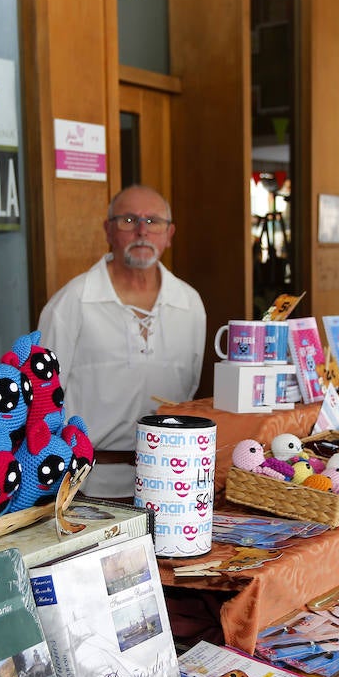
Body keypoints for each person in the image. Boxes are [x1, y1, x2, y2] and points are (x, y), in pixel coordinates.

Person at [39, 185, 206, 498]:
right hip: (86, 485)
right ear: (108, 230)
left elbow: (189, 387)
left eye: (153, 221)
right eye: (128, 220)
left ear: (169, 233)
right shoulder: (73, 301)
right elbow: (43, 396)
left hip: (172, 483)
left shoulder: (190, 303)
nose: (142, 231)